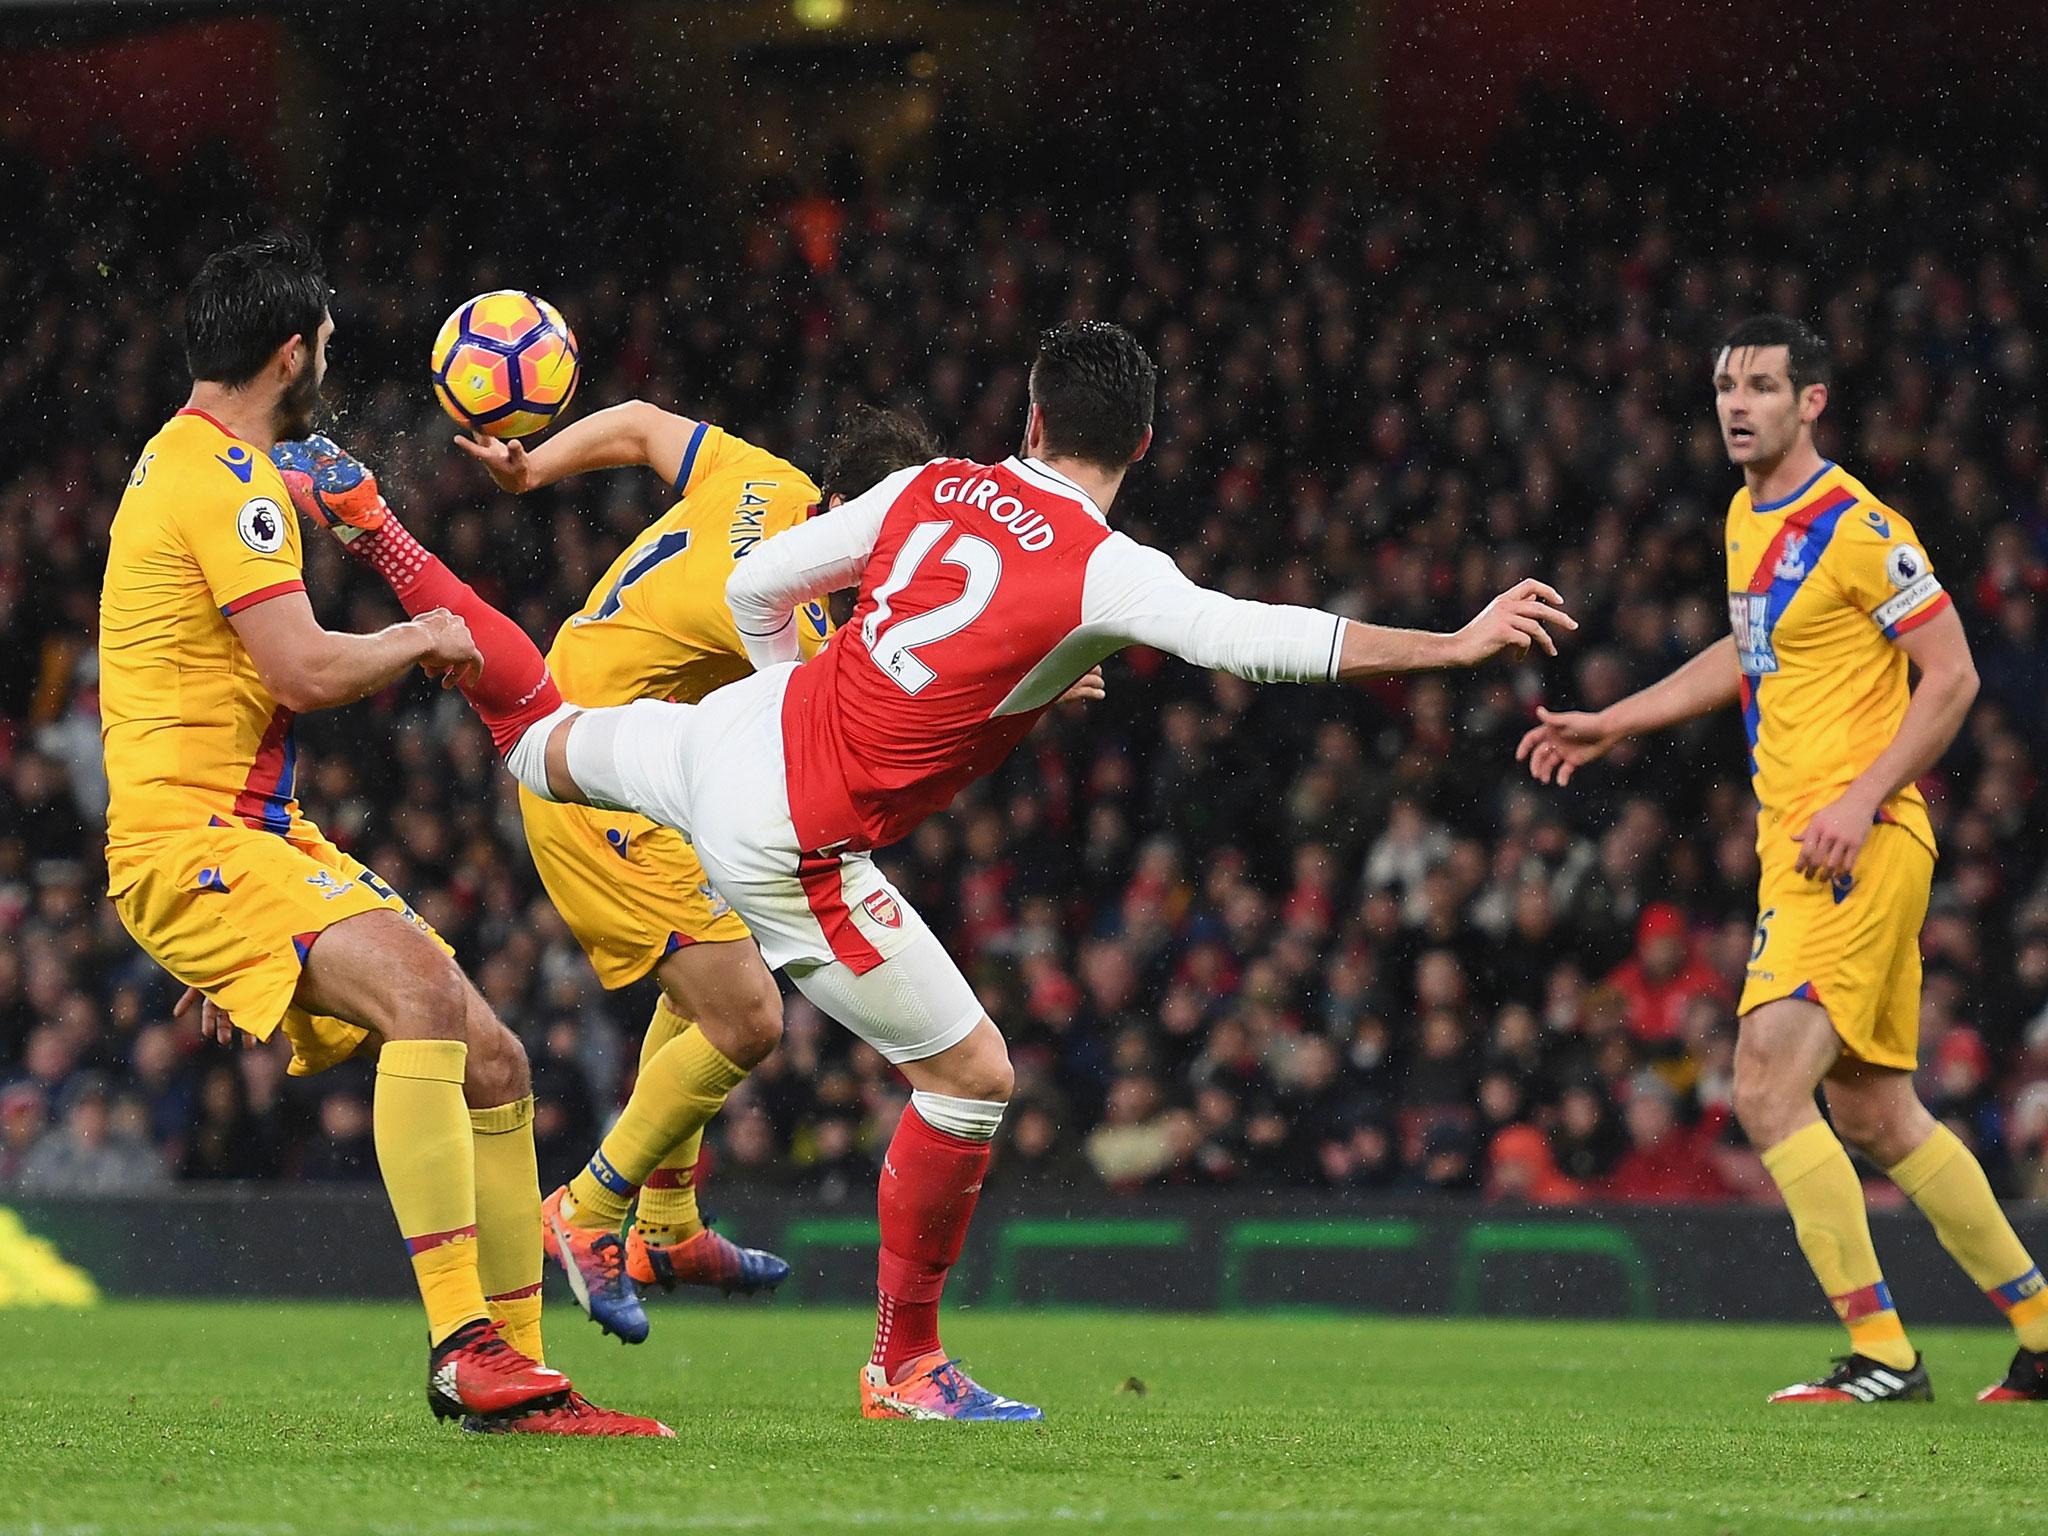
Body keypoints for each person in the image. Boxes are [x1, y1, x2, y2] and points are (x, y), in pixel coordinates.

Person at [280, 318, 1573, 1421]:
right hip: (791, 832)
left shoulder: (933, 485)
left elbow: (761, 588)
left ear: (1027, 412)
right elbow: (1267, 642)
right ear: (1144, 446)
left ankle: (377, 530)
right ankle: (904, 1364)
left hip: (721, 739)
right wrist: (1454, 647)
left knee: (534, 735)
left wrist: (800, 708)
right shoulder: (1106, 569)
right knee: (969, 1082)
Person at [100, 230, 665, 1436]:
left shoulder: (187, 461)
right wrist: (421, 638)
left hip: (250, 832)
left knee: (496, 1055)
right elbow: (300, 669)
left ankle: (517, 1375)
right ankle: (465, 1346)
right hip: (197, 836)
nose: (330, 365)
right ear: (290, 351)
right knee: (419, 999)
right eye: (328, 347)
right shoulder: (228, 482)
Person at [1518, 314, 2048, 1404]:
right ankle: (2043, 1331)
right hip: (1804, 844)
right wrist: (1613, 721)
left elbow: (1948, 676)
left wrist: (1860, 798)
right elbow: (1745, 650)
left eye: (1760, 385)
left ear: (1809, 401)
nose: (1735, 404)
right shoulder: (1743, 517)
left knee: (1762, 1084)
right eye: (1723, 386)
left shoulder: (1857, 526)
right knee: (1874, 1114)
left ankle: (1883, 1357)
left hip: (1846, 843)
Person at [435, 399, 945, 1340]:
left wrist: (532, 469)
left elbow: (635, 422)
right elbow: (857, 731)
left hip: (625, 745)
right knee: (750, 1017)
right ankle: (586, 1212)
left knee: (723, 965)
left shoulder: (763, 480)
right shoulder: (797, 601)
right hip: (593, 774)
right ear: (842, 507)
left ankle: (665, 1229)